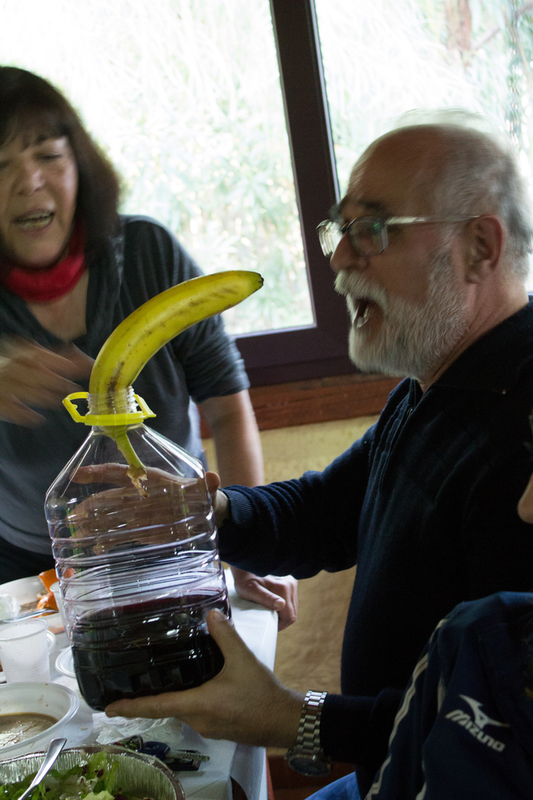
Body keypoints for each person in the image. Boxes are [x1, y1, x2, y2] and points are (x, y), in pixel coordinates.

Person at [101, 116, 533, 795]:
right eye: (339, 232)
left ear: (479, 246)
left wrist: (288, 718)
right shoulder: (437, 384)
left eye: (372, 229)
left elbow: (501, 731)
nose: (337, 259)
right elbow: (327, 511)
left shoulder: (520, 432)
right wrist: (201, 511)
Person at [0, 66, 296, 626]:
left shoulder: (145, 252)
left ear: (79, 165)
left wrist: (246, 547)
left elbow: (228, 413)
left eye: (48, 155)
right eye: (1, 164)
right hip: (31, 568)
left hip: (175, 544)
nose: (29, 182)